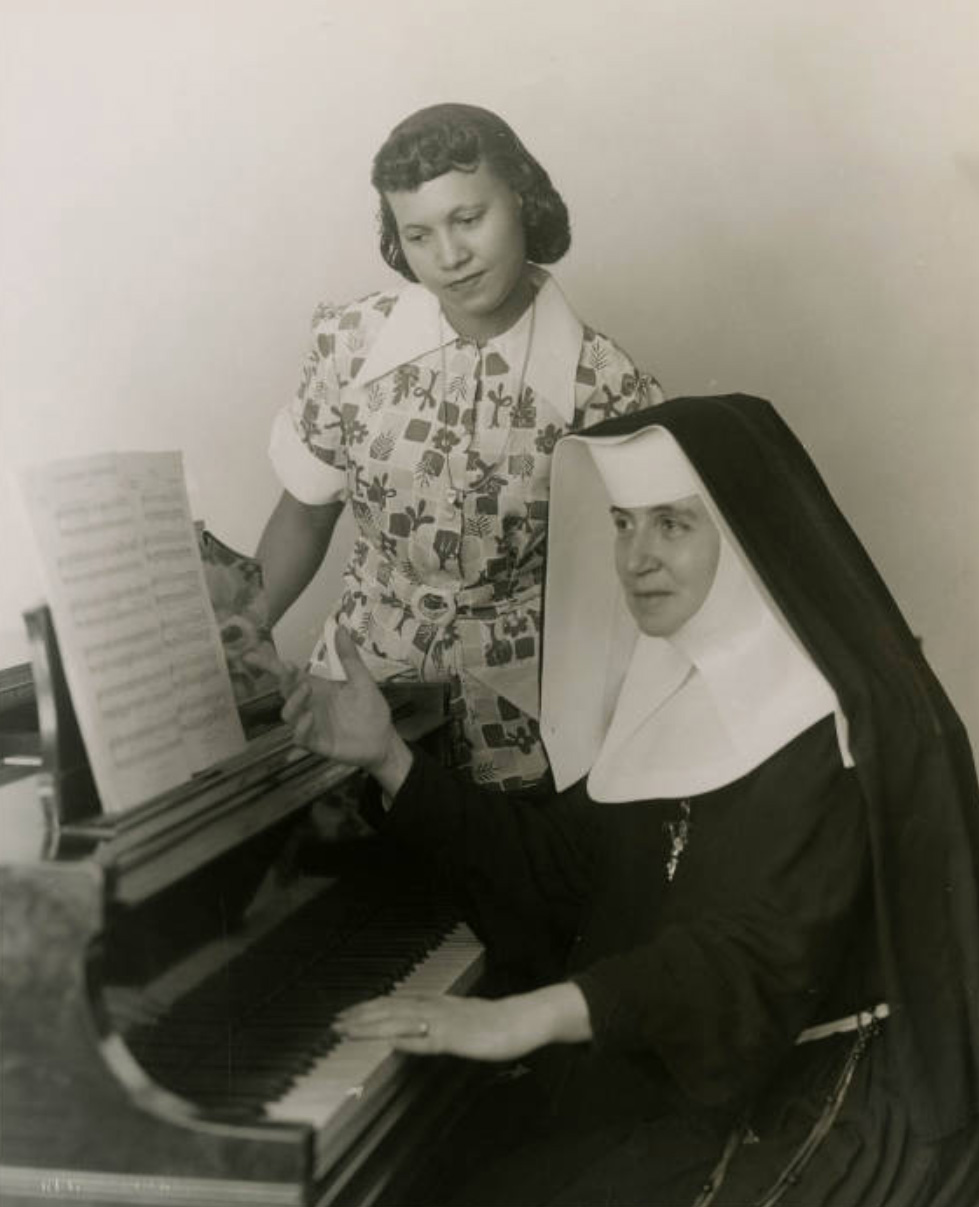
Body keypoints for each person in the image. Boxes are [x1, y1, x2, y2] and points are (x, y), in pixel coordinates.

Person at [267, 393, 979, 1206]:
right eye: (621, 523)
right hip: (698, 1073)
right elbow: (563, 873)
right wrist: (391, 757)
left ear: (747, 541)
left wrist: (524, 1018)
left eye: (672, 524)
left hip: (823, 1096)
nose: (635, 558)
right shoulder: (665, 686)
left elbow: (755, 957)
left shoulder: (836, 724)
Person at [257, 102, 663, 792]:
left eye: (468, 220)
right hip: (355, 701)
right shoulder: (348, 343)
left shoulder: (603, 383)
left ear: (524, 201)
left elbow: (631, 583)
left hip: (527, 727)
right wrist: (240, 633)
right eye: (417, 234)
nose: (447, 257)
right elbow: (304, 512)